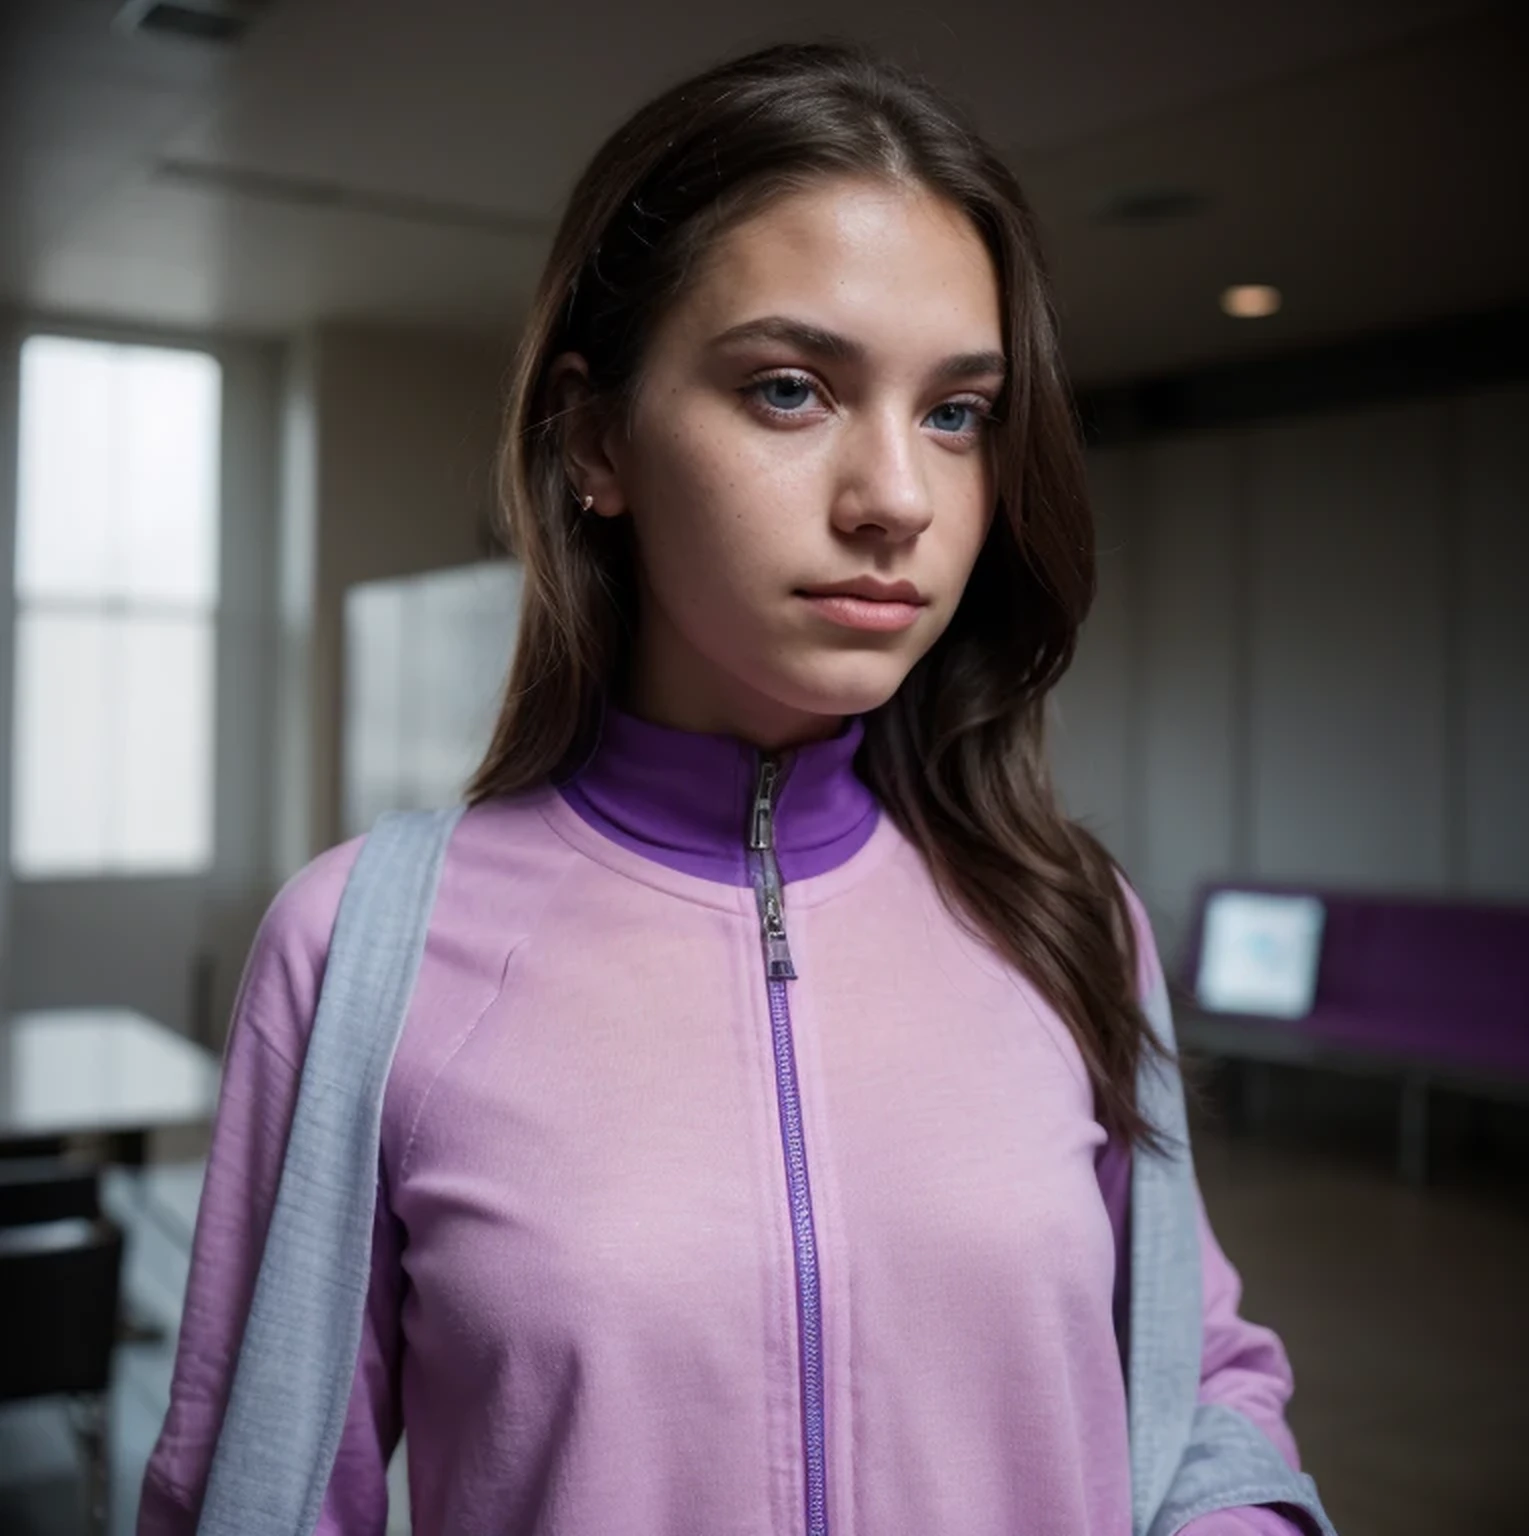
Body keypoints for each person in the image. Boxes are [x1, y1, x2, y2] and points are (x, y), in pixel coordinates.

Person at [140, 41, 1330, 1536]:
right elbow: (251, 1496)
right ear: (594, 440)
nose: (897, 497)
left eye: (956, 413)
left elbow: (1193, 1373)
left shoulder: (1069, 919)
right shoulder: (362, 948)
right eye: (790, 389)